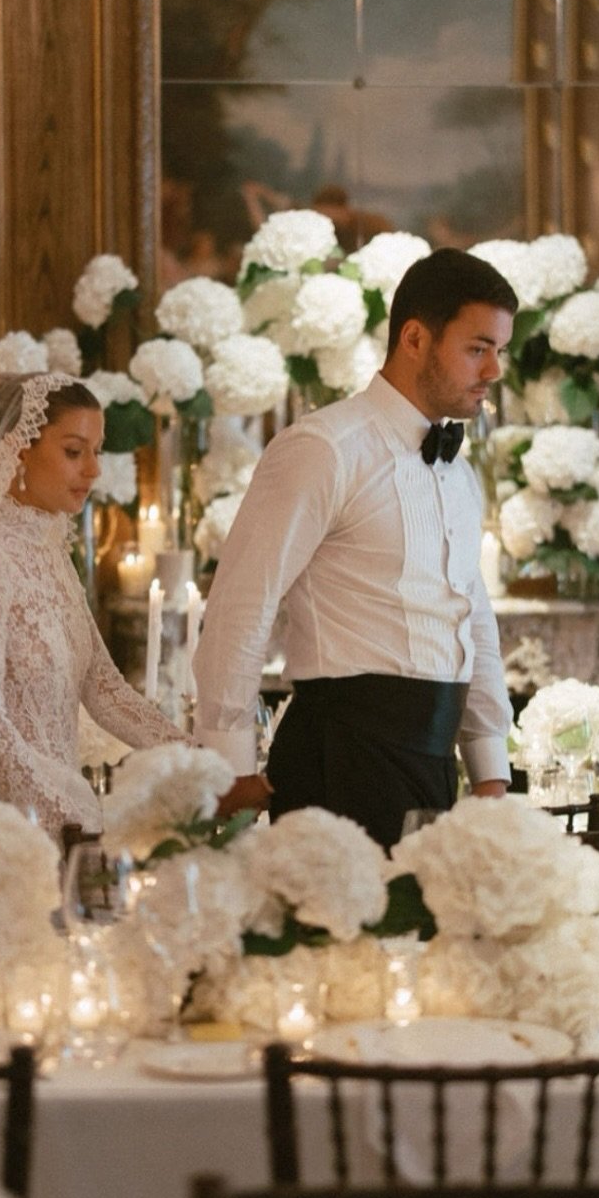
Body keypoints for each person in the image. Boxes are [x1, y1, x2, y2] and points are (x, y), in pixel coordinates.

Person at [193, 248, 516, 848]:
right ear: (415, 338)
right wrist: (229, 762)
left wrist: (489, 767)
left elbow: (474, 618)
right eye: (478, 349)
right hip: (339, 759)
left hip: (433, 764)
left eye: (501, 350)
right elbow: (243, 601)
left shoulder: (459, 473)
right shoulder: (324, 448)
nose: (495, 370)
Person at [0, 372, 186, 840]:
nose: (93, 470)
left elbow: (102, 687)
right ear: (19, 451)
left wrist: (193, 756)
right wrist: (54, 803)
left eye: (97, 452)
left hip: (63, 820)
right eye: (73, 451)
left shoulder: (52, 556)